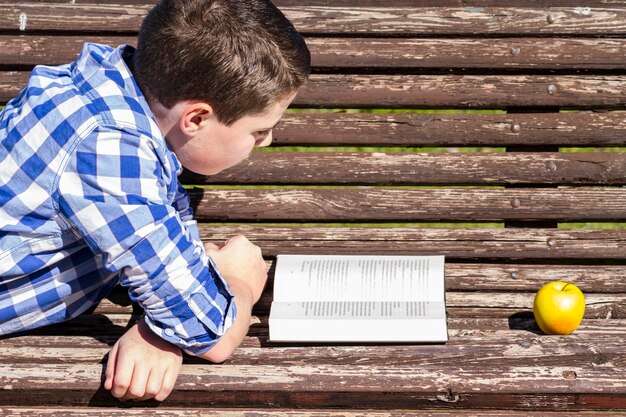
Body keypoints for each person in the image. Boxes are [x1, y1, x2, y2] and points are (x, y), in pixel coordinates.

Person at [0, 0, 310, 403]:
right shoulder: (111, 151)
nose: (267, 140)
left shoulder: (99, 86)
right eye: (259, 130)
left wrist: (154, 330)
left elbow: (165, 262)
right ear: (196, 119)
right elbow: (209, 331)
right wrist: (241, 281)